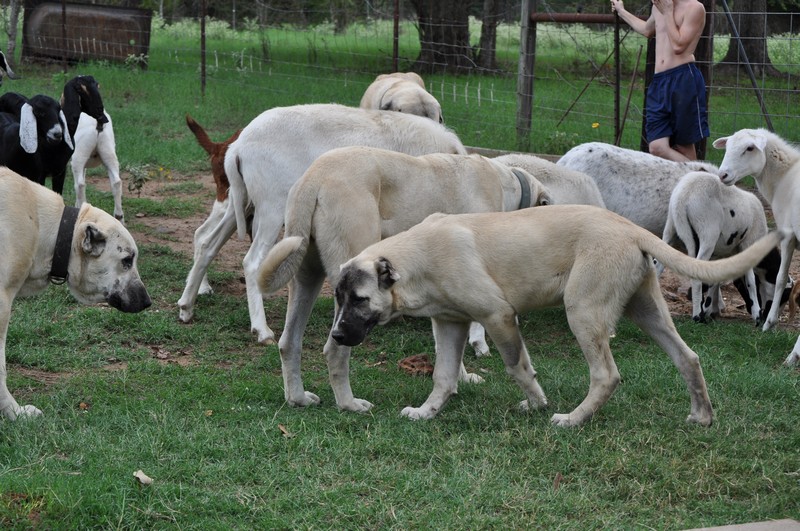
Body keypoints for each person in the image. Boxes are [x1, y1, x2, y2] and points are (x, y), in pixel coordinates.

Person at [611, 0, 709, 161]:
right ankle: (701, 174)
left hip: (683, 80)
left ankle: (698, 179)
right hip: (659, 82)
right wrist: (621, 11)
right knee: (656, 147)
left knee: (683, 146)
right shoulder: (659, 7)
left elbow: (679, 46)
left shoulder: (694, 8)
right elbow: (646, 30)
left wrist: (668, 12)